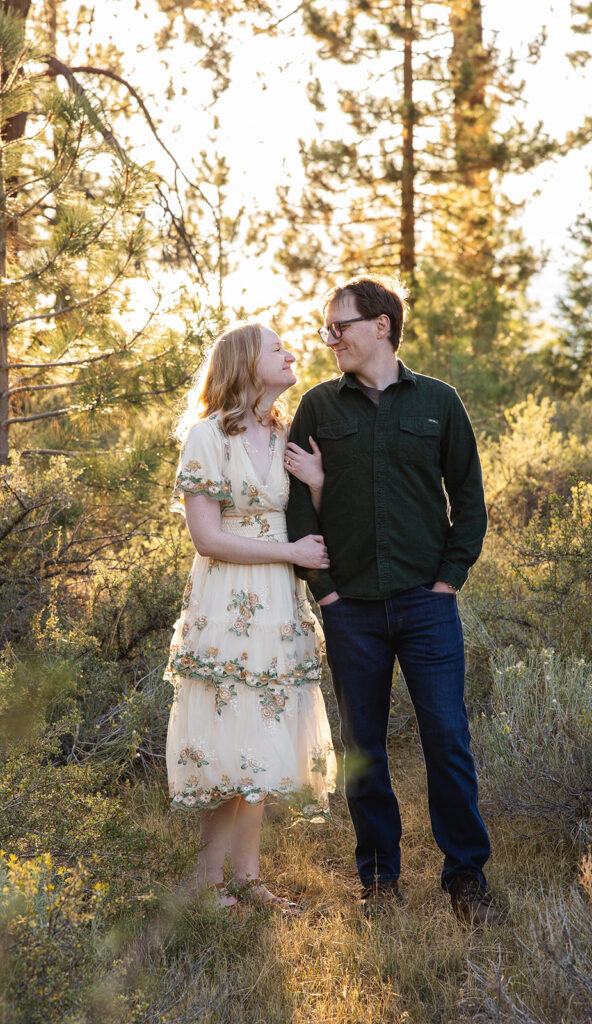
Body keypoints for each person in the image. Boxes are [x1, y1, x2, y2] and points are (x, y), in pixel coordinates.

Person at [285, 275, 499, 924]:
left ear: (380, 326)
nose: (331, 340)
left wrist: (449, 578)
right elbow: (296, 507)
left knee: (446, 738)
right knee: (363, 749)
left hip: (426, 606)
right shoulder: (319, 408)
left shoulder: (439, 402)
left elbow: (467, 498)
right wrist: (322, 592)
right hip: (349, 612)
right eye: (327, 329)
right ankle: (378, 880)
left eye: (339, 327)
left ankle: (465, 880)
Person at [165, 321, 336, 914]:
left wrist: (315, 484)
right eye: (277, 347)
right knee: (226, 737)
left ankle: (249, 880)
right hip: (229, 600)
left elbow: (316, 521)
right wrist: (289, 553)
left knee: (261, 737)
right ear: (244, 361)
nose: (292, 354)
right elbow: (208, 538)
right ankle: (209, 886)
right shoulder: (207, 435)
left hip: (279, 606)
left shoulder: (287, 431)